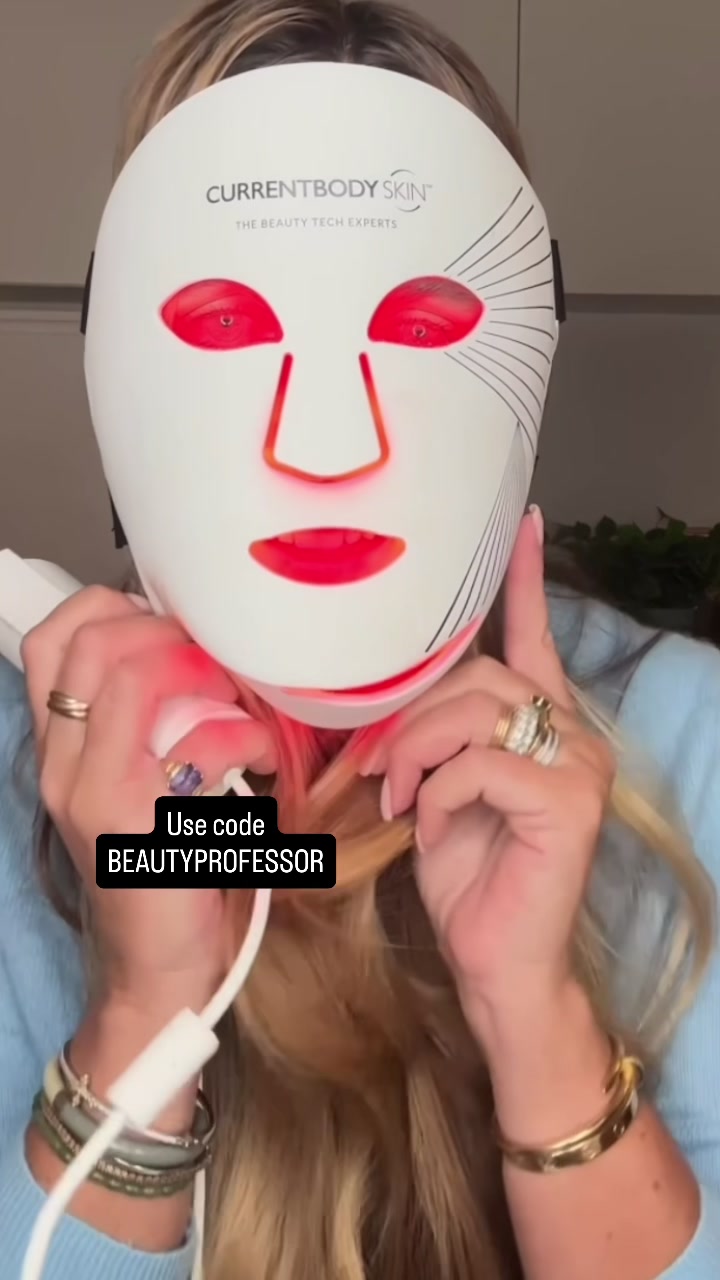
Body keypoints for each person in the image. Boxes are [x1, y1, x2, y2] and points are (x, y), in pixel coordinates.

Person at [1, 3, 719, 1279]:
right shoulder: (30, 779)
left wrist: (537, 1016)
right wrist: (146, 1005)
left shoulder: (688, 742)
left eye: (422, 324)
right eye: (226, 323)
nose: (328, 442)